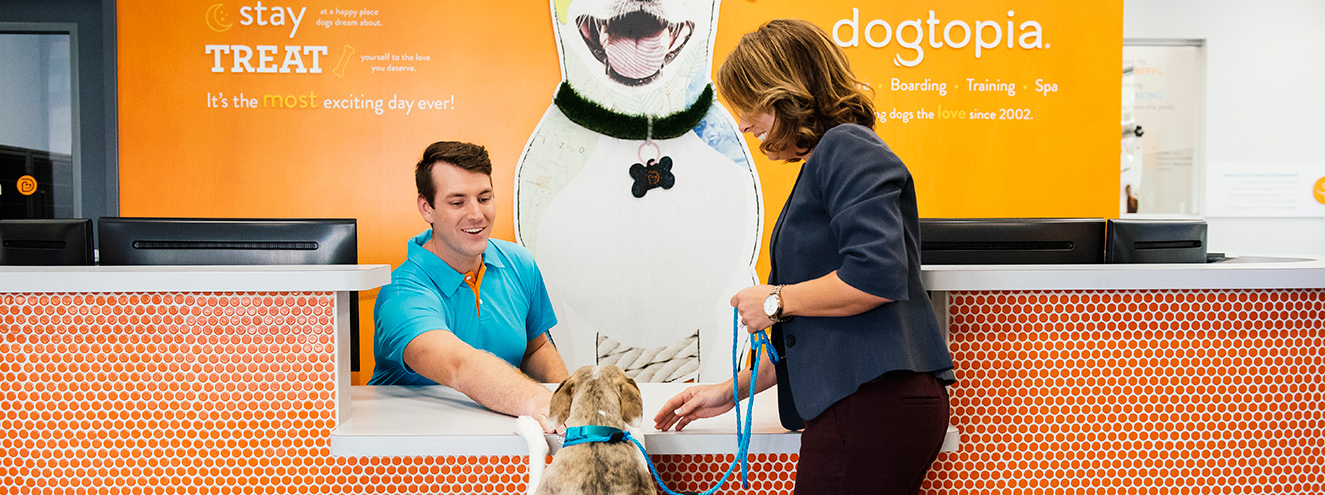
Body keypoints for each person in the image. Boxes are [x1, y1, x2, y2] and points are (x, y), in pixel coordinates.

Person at [652, 19, 955, 495]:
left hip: (871, 402)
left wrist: (775, 301)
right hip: (867, 403)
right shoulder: (832, 157)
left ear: (784, 93)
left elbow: (875, 276)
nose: (743, 123)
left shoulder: (847, 147)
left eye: (748, 105)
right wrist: (730, 392)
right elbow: (814, 334)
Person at [371, 140, 570, 432]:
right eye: (457, 202)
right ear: (427, 208)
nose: (476, 214)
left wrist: (570, 404)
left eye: (484, 198)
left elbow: (535, 348)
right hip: (413, 447)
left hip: (502, 437)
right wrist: (542, 403)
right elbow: (458, 365)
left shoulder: (519, 263)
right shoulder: (400, 293)